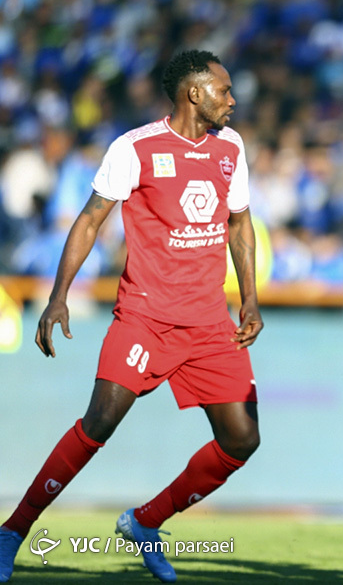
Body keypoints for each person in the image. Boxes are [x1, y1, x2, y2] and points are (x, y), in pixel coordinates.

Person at [0, 50, 263, 584]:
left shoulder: (231, 147)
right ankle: (12, 531)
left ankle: (145, 522)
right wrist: (58, 295)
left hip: (210, 322)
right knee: (100, 420)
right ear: (194, 93)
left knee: (242, 440)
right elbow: (90, 220)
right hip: (146, 316)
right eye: (224, 90)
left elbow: (239, 224)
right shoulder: (134, 148)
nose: (233, 100)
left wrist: (250, 298)